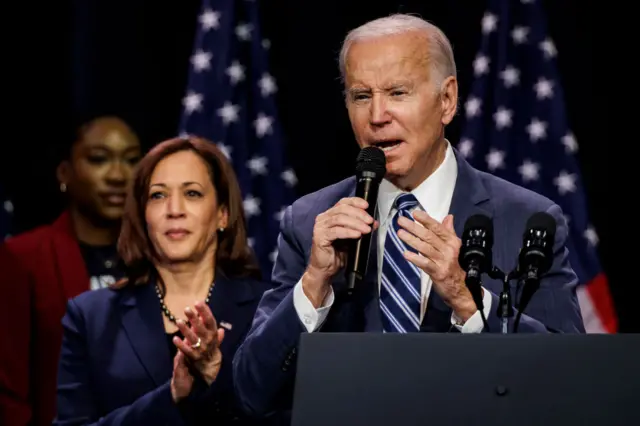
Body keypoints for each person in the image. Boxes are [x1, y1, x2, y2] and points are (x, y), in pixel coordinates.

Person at [232, 14, 586, 418]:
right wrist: (314, 284)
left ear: (447, 100)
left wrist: (468, 303)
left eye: (397, 92)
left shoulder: (527, 220)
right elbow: (251, 392)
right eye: (361, 96)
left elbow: (570, 384)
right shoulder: (309, 221)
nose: (377, 115)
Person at [53, 136, 278, 425]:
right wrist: (171, 396)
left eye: (192, 193)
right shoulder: (90, 317)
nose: (174, 209)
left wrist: (214, 375)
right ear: (143, 215)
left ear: (222, 214)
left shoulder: (268, 310)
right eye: (158, 195)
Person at [0, 114, 141, 426]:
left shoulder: (159, 256)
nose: (118, 175)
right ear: (66, 172)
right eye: (99, 159)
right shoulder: (23, 257)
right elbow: (9, 390)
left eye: (132, 160)